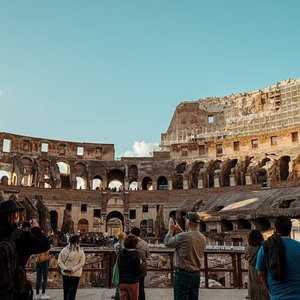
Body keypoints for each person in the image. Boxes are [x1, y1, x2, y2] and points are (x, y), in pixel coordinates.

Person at [0, 199, 51, 300]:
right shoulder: (22, 236)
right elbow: (45, 245)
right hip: (15, 288)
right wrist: (36, 229)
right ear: (14, 216)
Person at [164, 212, 206, 300]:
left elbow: (167, 242)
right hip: (196, 274)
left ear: (189, 222)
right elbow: (189, 241)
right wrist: (180, 230)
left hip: (183, 274)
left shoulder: (184, 236)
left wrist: (171, 230)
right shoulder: (203, 237)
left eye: (186, 220)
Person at [256, 216, 300, 300]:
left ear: (275, 229)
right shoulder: (298, 246)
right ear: (290, 230)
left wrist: (269, 290)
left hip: (277, 295)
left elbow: (260, 274)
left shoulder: (266, 247)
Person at [58, 234, 85, 300]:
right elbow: (82, 263)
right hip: (75, 274)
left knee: (66, 290)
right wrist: (73, 269)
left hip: (65, 273)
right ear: (78, 242)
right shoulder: (81, 252)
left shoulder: (64, 250)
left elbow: (59, 261)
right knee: (72, 291)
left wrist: (65, 268)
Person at [245, 230, 269, 300]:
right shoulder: (264, 246)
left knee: (253, 285)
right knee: (263, 285)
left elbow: (246, 257)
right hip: (263, 268)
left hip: (252, 269)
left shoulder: (248, 248)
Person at [118, 234, 143, 300]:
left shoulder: (121, 253)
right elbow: (138, 271)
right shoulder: (135, 254)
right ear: (134, 244)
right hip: (132, 281)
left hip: (122, 281)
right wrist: (141, 264)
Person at [130, 227, 150, 300]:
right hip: (142, 269)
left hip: (130, 269)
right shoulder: (145, 244)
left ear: (131, 233)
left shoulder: (128, 243)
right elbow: (147, 255)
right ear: (140, 233)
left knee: (130, 288)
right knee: (141, 288)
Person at [112, 231, 126, 300]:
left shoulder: (116, 245)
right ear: (124, 237)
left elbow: (117, 253)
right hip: (125, 262)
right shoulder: (126, 245)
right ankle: (122, 294)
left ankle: (117, 294)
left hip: (118, 261)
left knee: (118, 278)